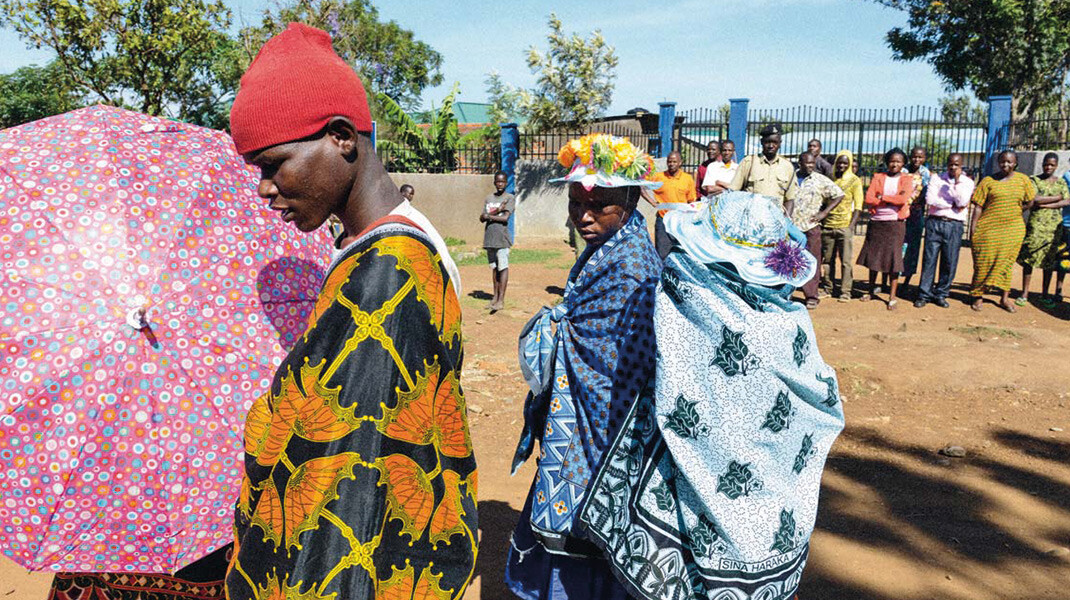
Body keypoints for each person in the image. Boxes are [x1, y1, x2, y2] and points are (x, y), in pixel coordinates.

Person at [224, 23, 477, 600]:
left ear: (341, 136)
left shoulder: (387, 276)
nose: (264, 189)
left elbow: (350, 500)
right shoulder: (382, 247)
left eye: (274, 164)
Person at [579, 191, 845, 600]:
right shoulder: (790, 322)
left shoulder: (687, 301)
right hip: (774, 515)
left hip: (697, 496)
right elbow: (818, 398)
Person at [507, 133, 661, 600]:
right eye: (576, 204)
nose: (584, 215)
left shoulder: (634, 265)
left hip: (605, 422)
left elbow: (627, 363)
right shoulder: (604, 250)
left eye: (600, 205)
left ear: (632, 200)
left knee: (591, 522)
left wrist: (562, 336)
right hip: (577, 418)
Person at [969, 150, 1036, 312]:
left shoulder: (1023, 180)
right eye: (1002, 162)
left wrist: (1016, 211)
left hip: (1013, 229)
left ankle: (1004, 298)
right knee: (983, 261)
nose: (1006, 165)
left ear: (1015, 163)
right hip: (988, 229)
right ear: (998, 163)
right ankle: (978, 295)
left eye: (1009, 162)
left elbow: (1030, 201)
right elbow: (978, 207)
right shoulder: (988, 181)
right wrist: (973, 228)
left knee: (1006, 263)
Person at [914, 153, 975, 308]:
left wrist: (954, 185)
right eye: (950, 164)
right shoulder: (937, 178)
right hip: (935, 222)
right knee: (929, 260)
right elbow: (930, 200)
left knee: (949, 260)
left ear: (961, 165)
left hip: (954, 225)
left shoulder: (967, 182)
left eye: (956, 165)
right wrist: (951, 205)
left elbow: (962, 201)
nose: (953, 167)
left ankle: (941, 293)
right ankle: (924, 294)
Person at [857, 148, 913, 309]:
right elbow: (869, 198)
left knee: (894, 261)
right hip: (877, 223)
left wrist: (883, 197)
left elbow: (903, 199)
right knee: (874, 257)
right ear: (887, 162)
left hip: (895, 224)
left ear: (903, 163)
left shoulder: (906, 179)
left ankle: (892, 296)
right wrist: (889, 200)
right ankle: (871, 290)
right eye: (892, 161)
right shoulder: (878, 177)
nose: (894, 164)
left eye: (898, 161)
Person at [1017, 152, 1070, 307]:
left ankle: (1044, 293)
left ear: (1056, 166)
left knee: (1049, 261)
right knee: (1029, 258)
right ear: (1042, 164)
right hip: (1036, 226)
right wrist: (1056, 198)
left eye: (1052, 165)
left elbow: (1067, 201)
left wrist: (1045, 204)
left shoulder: (1060, 182)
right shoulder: (1034, 180)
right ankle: (1024, 292)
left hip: (1054, 228)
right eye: (1046, 164)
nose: (1048, 167)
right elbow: (1033, 199)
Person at [793, 152, 844, 309]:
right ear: (799, 163)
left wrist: (824, 212)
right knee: (790, 261)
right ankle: (787, 292)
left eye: (812, 163)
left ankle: (811, 296)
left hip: (811, 227)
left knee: (812, 261)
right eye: (806, 163)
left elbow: (838, 194)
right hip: (791, 227)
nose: (810, 165)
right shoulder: (790, 178)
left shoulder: (820, 180)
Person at [728, 123, 798, 213]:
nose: (771, 146)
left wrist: (786, 221)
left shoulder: (787, 167)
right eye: (767, 142)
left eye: (775, 142)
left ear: (780, 143)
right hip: (751, 218)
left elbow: (790, 199)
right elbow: (734, 193)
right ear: (761, 142)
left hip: (775, 221)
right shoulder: (748, 162)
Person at [822, 150, 864, 301]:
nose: (842, 165)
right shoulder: (830, 179)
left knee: (845, 262)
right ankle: (828, 288)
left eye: (845, 163)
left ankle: (846, 291)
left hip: (844, 226)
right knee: (827, 260)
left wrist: (850, 226)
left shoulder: (854, 181)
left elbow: (858, 205)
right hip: (828, 226)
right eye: (839, 162)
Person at [644, 150, 697, 259]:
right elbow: (642, 186)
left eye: (674, 162)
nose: (671, 164)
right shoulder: (659, 177)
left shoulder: (687, 179)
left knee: (682, 255)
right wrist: (652, 202)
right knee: (662, 254)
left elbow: (692, 201)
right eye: (669, 162)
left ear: (680, 162)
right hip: (662, 221)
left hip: (680, 222)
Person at [482, 170, 515, 312]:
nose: (500, 184)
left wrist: (489, 216)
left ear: (506, 183)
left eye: (503, 182)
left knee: (503, 267)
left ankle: (501, 299)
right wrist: (496, 211)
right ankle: (494, 298)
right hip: (490, 237)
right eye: (498, 181)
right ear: (494, 182)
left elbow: (505, 218)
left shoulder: (509, 198)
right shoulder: (489, 198)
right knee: (494, 268)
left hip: (502, 238)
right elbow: (481, 217)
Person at [901, 146, 931, 291]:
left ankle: (907, 281)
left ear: (925, 158)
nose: (917, 160)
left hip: (916, 214)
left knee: (913, 247)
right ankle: (890, 279)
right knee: (898, 245)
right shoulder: (903, 171)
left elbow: (927, 195)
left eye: (920, 157)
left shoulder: (926, 174)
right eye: (914, 156)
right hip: (900, 212)